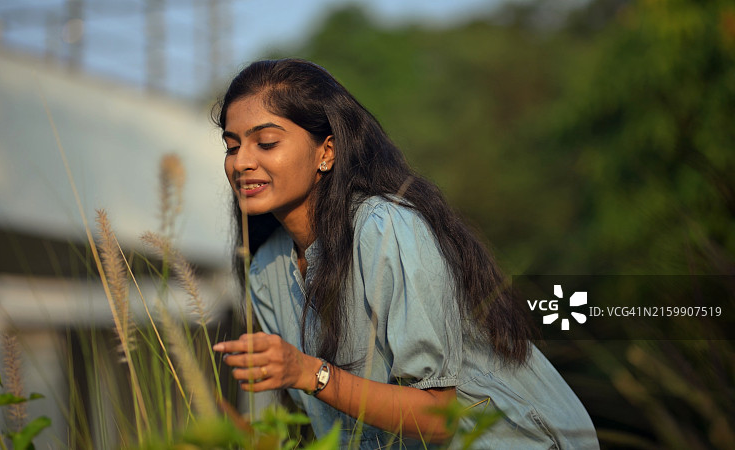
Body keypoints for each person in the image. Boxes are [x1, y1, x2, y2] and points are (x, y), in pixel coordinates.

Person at [211, 59, 599, 449]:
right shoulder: (266, 268)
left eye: (266, 143)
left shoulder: (386, 229)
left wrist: (311, 373)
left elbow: (439, 418)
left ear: (326, 151)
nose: (241, 162)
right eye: (232, 146)